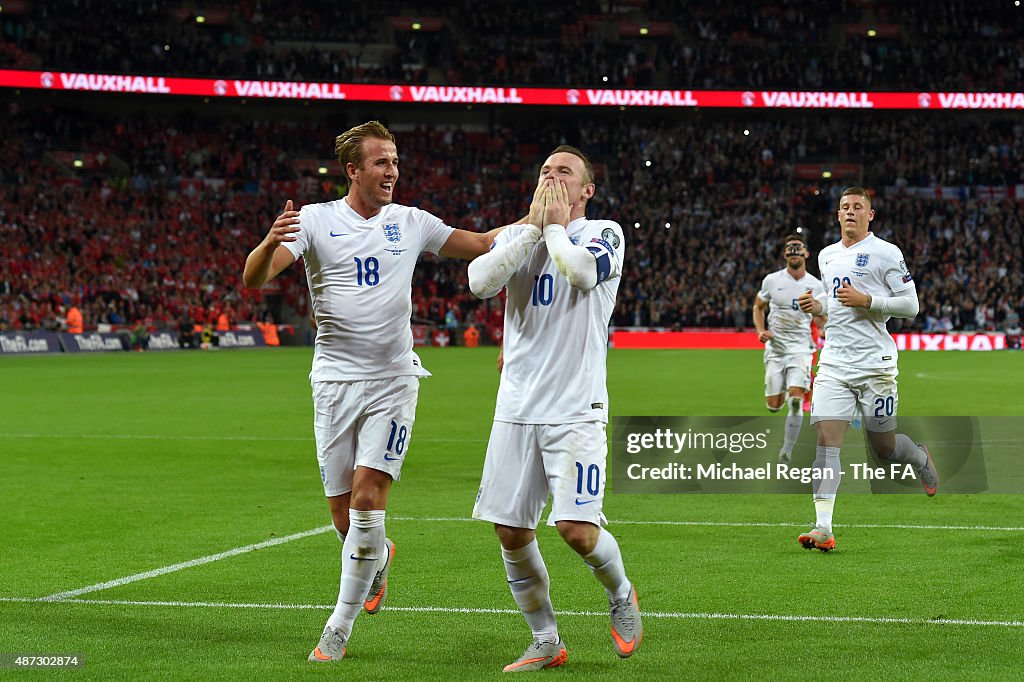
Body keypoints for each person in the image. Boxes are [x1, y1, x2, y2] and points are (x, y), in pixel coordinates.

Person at [242, 120, 505, 663]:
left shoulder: (410, 222)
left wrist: (539, 218)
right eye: (382, 162)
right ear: (353, 170)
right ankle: (377, 554)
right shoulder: (315, 221)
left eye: (395, 161)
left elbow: (480, 243)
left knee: (367, 499)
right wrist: (268, 243)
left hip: (393, 380)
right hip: (334, 383)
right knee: (344, 519)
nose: (392, 172)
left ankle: (337, 630)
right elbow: (255, 278)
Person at [467, 146, 642, 672]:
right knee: (511, 531)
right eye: (544, 170)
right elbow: (479, 283)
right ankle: (546, 640)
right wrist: (531, 228)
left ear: (586, 190)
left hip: (576, 407)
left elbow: (581, 274)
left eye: (564, 171)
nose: (551, 176)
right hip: (516, 406)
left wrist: (553, 227)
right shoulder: (515, 236)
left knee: (576, 530)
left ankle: (622, 593)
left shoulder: (604, 232)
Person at [796, 187, 939, 552]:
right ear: (837, 214)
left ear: (870, 215)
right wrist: (819, 305)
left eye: (858, 207)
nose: (850, 212)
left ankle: (919, 456)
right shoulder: (827, 256)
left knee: (885, 450)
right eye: (845, 207)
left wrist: (869, 301)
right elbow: (836, 300)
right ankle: (823, 527)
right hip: (834, 363)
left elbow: (911, 305)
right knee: (827, 443)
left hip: (875, 365)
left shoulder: (886, 252)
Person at [752, 234, 823, 464]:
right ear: (785, 255)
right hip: (775, 350)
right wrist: (761, 330)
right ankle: (779, 396)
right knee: (774, 406)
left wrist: (824, 330)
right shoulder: (772, 280)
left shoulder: (815, 285)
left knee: (795, 399)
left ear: (805, 254)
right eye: (790, 250)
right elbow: (758, 307)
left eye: (798, 250)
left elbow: (821, 316)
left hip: (802, 349)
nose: (794, 254)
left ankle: (787, 451)